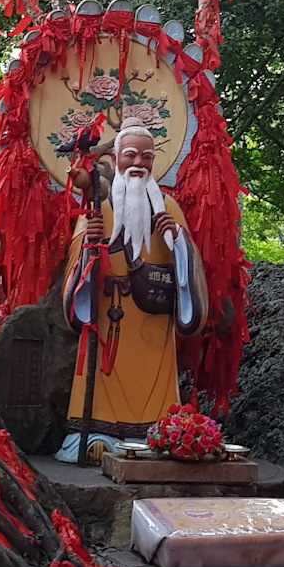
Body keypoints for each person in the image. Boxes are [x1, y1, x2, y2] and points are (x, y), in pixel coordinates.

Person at [55, 120, 208, 464]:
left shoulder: (167, 207)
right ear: (114, 157)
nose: (139, 164)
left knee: (154, 379)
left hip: (151, 319)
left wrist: (178, 239)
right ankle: (96, 433)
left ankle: (157, 432)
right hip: (109, 315)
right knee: (102, 374)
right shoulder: (98, 210)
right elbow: (78, 264)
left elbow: (188, 262)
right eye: (130, 155)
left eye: (147, 157)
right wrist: (90, 243)